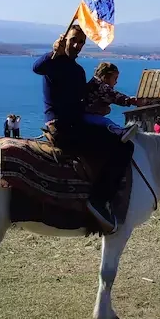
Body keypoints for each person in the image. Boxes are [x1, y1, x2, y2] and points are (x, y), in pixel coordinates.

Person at [32, 26, 132, 233]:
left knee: (117, 141)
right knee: (123, 149)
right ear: (63, 39)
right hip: (61, 126)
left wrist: (97, 109)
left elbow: (78, 103)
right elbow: (36, 68)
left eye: (81, 42)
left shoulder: (78, 71)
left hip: (76, 122)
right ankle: (99, 200)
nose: (77, 45)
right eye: (73, 40)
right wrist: (53, 51)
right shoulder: (53, 63)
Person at [84, 62, 139, 134]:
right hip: (88, 116)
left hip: (86, 115)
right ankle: (121, 132)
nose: (116, 82)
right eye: (115, 78)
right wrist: (130, 100)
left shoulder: (94, 83)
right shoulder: (100, 86)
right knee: (107, 123)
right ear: (106, 76)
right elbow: (115, 96)